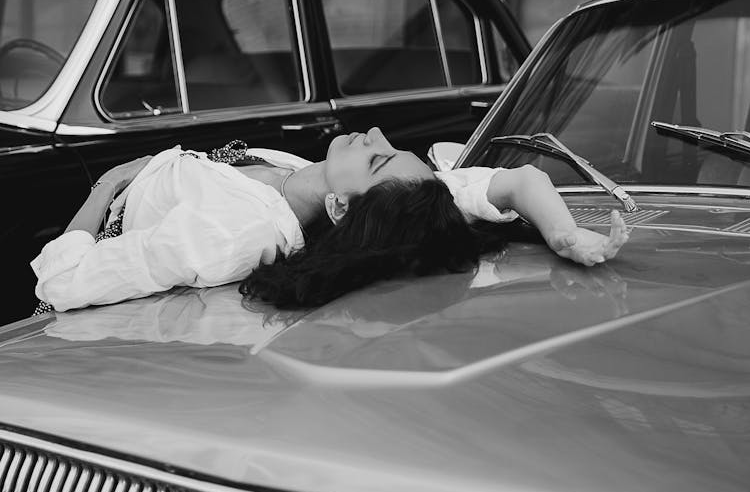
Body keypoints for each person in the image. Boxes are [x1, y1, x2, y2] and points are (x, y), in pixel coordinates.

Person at [31, 128, 630, 313]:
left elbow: (63, 282)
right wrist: (563, 233)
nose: (370, 134)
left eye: (373, 155)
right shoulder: (398, 194)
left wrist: (107, 182)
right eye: (387, 144)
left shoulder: (231, 235)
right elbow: (521, 181)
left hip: (105, 211)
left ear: (344, 208)